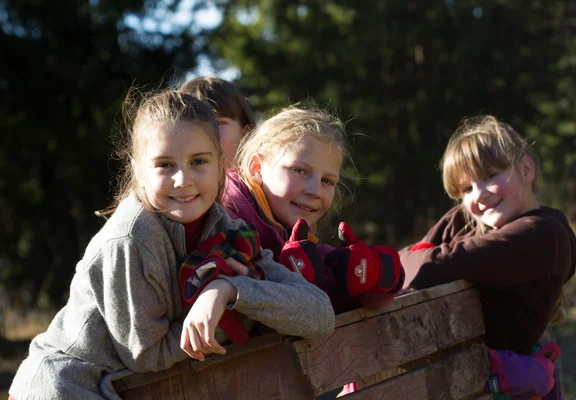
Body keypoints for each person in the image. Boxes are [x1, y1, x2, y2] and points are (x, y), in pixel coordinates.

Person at [8, 91, 334, 400]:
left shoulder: (229, 230)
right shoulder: (130, 240)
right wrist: (230, 318)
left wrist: (230, 290)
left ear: (221, 165)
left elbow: (319, 314)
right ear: (138, 169)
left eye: (199, 162)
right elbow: (146, 355)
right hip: (67, 387)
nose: (183, 179)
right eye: (165, 164)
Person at [399, 115, 576, 399]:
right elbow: (406, 262)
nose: (478, 196)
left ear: (527, 169)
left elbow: (427, 266)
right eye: (466, 189)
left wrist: (407, 263)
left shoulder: (543, 234)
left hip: (505, 389)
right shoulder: (467, 221)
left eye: (490, 176)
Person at [221, 105, 405, 315]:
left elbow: (332, 309)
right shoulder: (224, 224)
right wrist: (285, 283)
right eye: (300, 170)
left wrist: (377, 276)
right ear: (257, 168)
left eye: (327, 180)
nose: (315, 191)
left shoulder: (301, 242)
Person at [179, 75, 256, 169]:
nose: (205, 133)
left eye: (218, 123)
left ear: (246, 134)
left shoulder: (267, 181)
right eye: (193, 125)